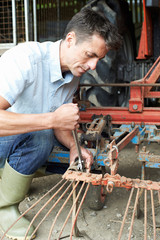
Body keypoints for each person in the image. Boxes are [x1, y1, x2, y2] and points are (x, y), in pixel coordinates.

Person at [0, 7, 123, 240]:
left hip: (16, 141)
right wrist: (52, 120)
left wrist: (75, 146)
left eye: (99, 58)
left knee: (64, 155)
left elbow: (60, 124)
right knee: (40, 137)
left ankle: (8, 177)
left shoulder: (72, 76)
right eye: (90, 55)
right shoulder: (24, 59)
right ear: (70, 39)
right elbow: (52, 121)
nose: (94, 66)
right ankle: (4, 208)